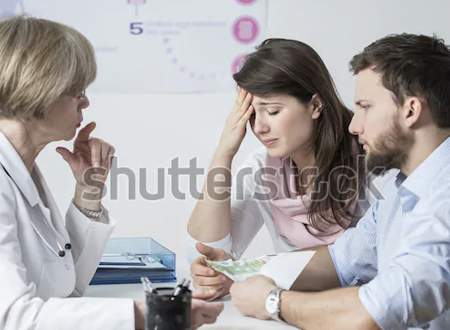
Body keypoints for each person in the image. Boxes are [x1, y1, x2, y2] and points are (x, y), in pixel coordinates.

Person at [0, 16, 223, 330]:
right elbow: (11, 318)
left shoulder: (22, 168)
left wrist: (87, 194)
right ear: (39, 86)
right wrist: (146, 315)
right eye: (76, 90)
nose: (86, 101)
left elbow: (67, 287)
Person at [229, 33, 450, 329]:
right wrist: (235, 272)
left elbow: (372, 313)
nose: (354, 125)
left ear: (411, 110)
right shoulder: (401, 190)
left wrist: (273, 301)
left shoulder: (443, 200)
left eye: (365, 106)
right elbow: (338, 260)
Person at [188, 38, 368, 300]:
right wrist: (224, 152)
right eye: (252, 114)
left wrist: (250, 274)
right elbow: (210, 247)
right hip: (285, 313)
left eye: (272, 111)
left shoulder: (370, 165)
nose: (259, 127)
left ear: (315, 106)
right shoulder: (262, 168)